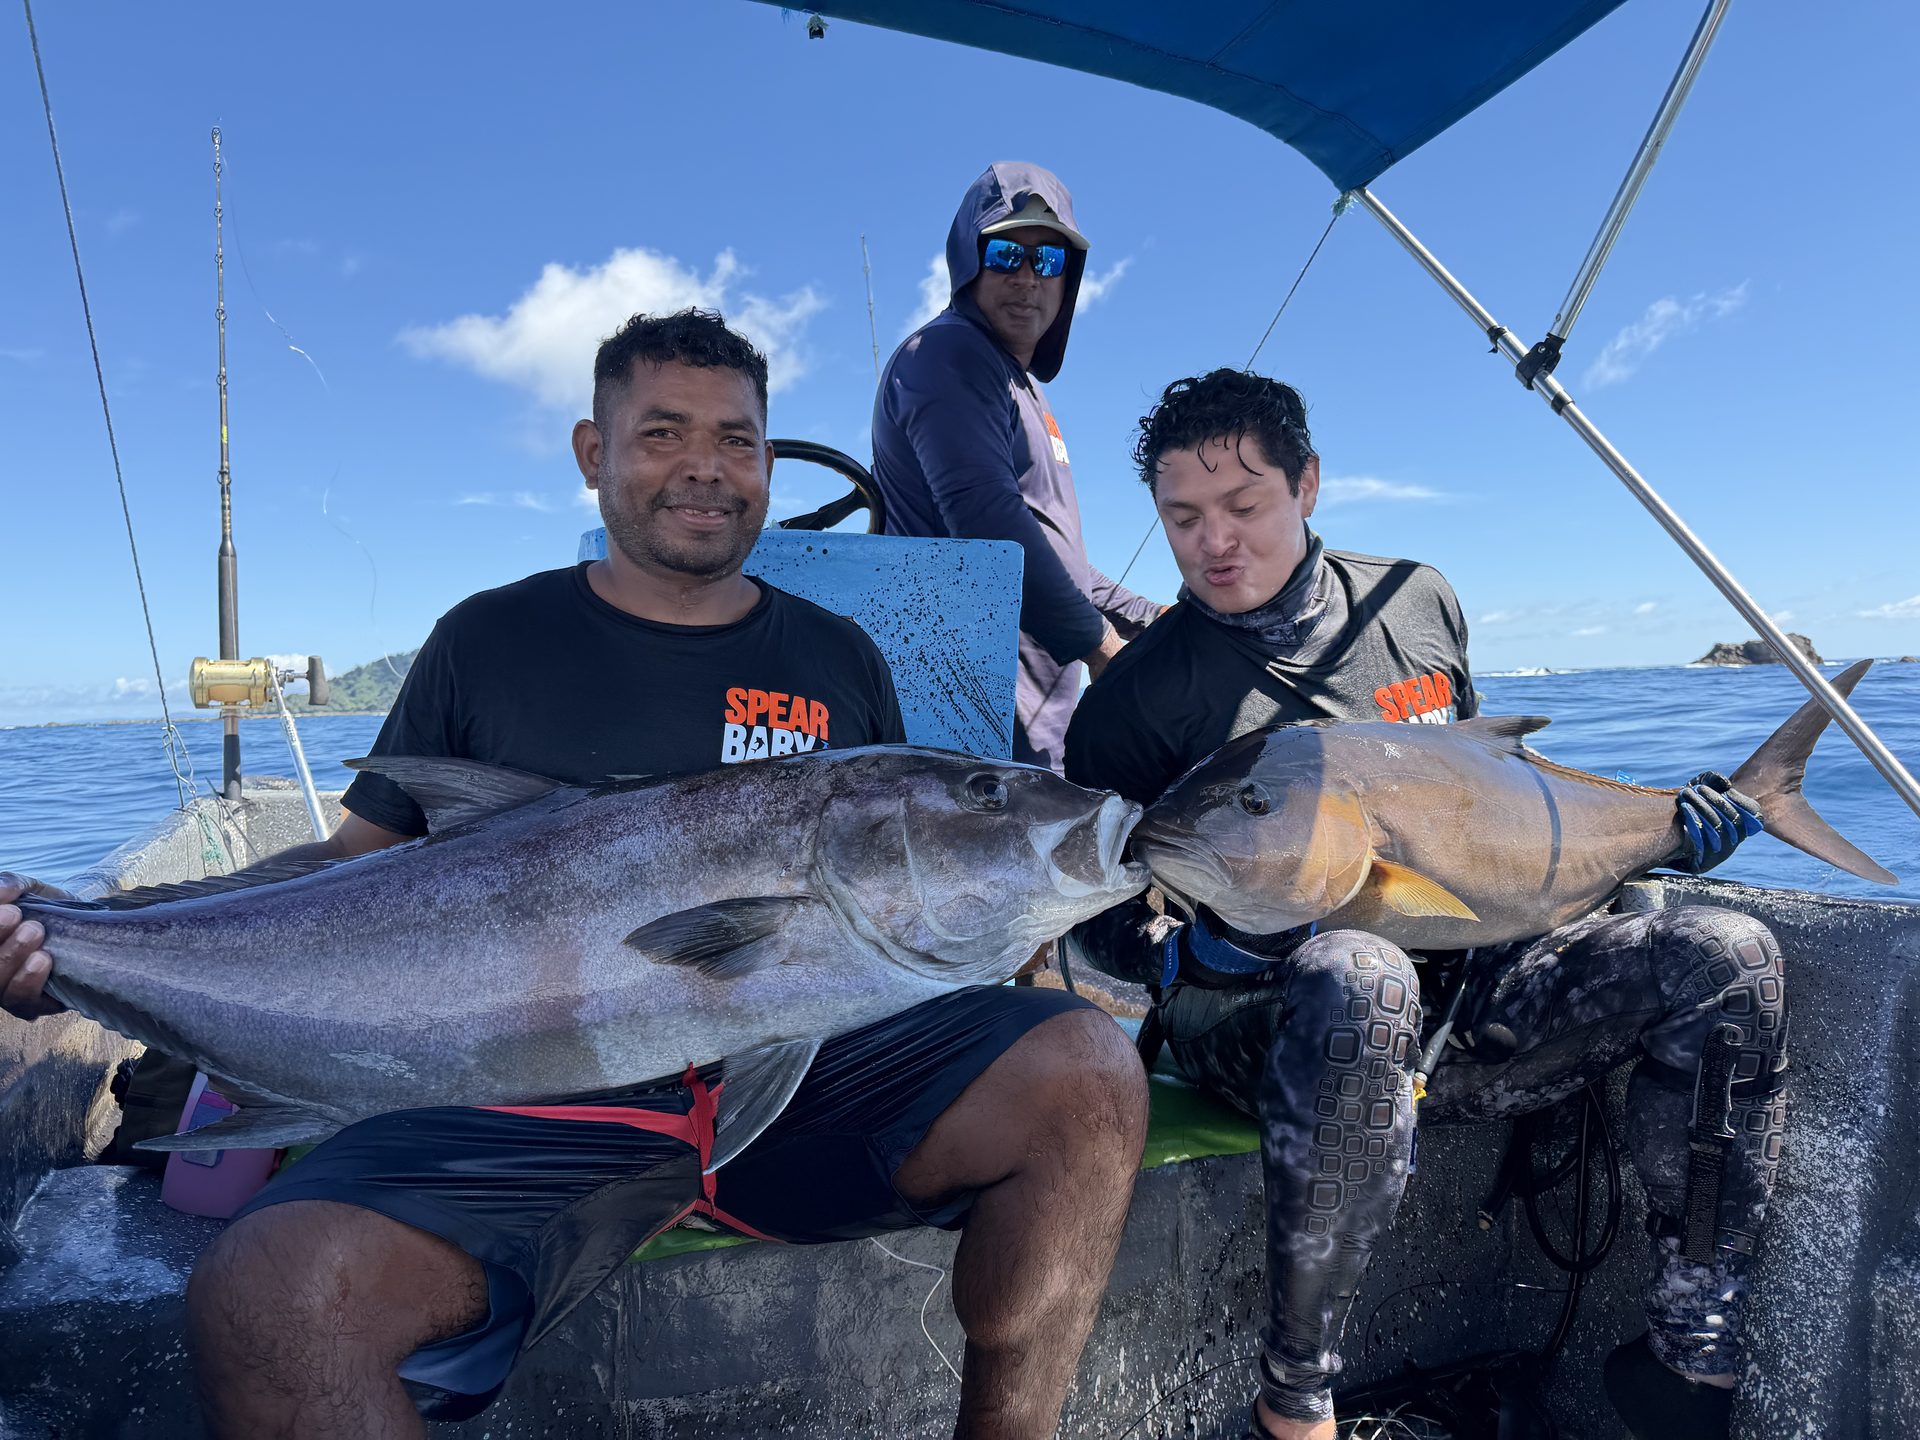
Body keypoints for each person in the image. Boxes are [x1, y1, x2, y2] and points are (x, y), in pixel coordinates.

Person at [0, 309, 1149, 1440]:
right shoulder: (487, 640)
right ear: (594, 454)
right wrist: (84, 945)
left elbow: (902, 894)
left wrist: (1030, 928)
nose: (706, 469)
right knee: (266, 1299)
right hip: (519, 1095)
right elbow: (354, 872)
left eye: (738, 440)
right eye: (662, 433)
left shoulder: (836, 656)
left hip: (803, 1076)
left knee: (1087, 1071)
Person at [1062, 368, 1776, 1440]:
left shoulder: (1417, 602)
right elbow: (1102, 924)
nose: (1215, 541)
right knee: (1358, 973)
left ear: (1307, 485)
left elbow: (1498, 797)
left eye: (1244, 506)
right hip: (1263, 1007)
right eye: (1182, 518)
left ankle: (1692, 1360)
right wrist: (1191, 950)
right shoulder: (1135, 704)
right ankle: (1296, 1400)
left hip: (1472, 976)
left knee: (1730, 954)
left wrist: (1668, 833)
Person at [871, 161, 1161, 772]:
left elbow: (1056, 547)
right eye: (1007, 253)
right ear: (969, 261)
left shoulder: (1016, 382)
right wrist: (1101, 647)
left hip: (1033, 724)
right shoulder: (949, 355)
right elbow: (985, 514)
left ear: (1068, 278)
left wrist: (1148, 616)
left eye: (1048, 259)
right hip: (971, 723)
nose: (1027, 277)